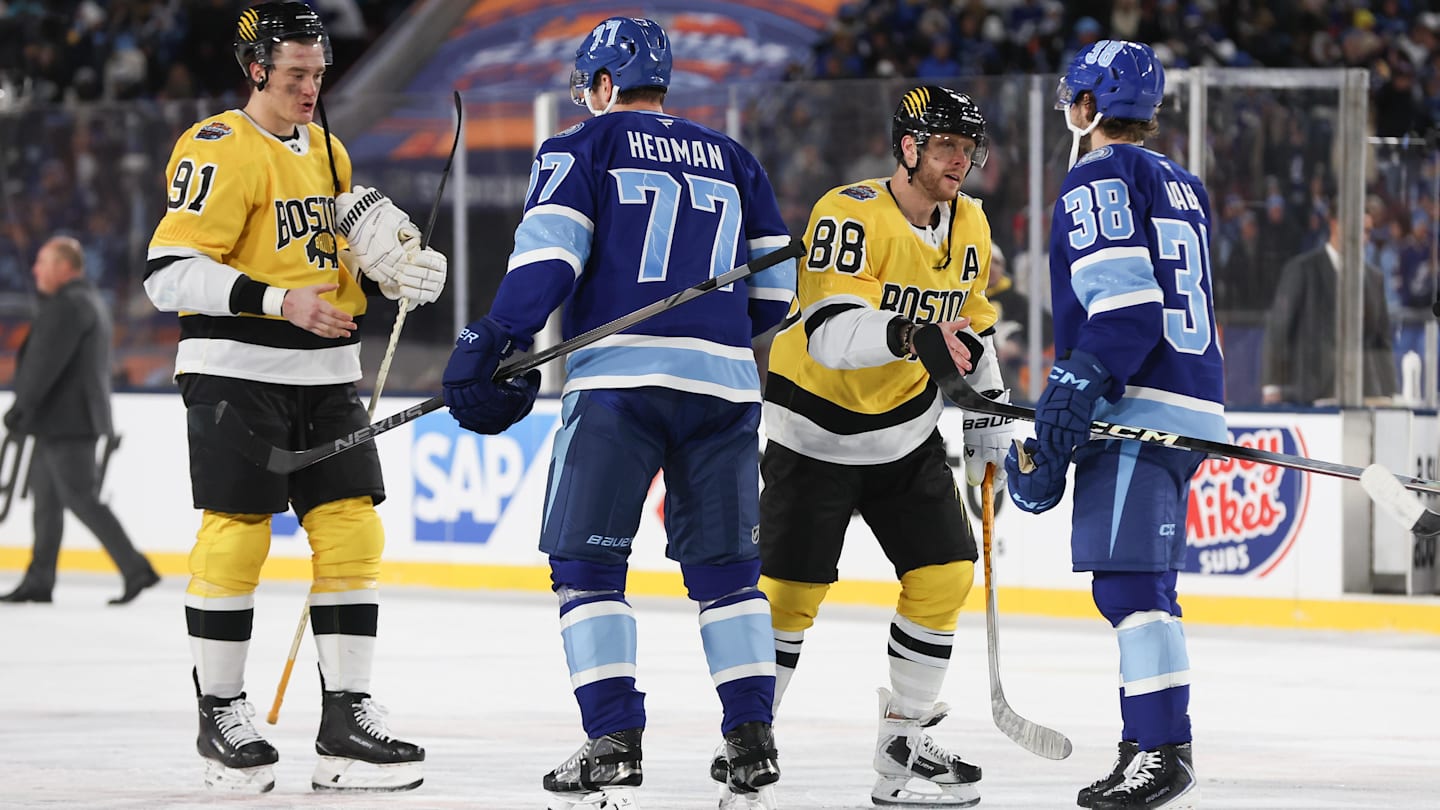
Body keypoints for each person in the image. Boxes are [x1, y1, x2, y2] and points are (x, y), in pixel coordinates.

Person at [440, 16, 796, 809]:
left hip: (619, 387)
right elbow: (778, 292)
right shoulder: (735, 157)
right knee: (727, 577)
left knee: (588, 568)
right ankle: (751, 738)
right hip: (726, 388)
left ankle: (613, 740)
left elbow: (551, 256)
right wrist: (710, 338)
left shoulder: (580, 145)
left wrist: (496, 333)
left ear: (603, 85)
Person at [142, 1, 445, 794]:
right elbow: (168, 273)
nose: (312, 86)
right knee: (239, 534)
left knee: (352, 535)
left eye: (319, 72)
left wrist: (391, 272)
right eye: (296, 73)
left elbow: (333, 258)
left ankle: (346, 721)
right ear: (256, 69)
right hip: (235, 371)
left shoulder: (333, 154)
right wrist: (282, 303)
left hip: (328, 376)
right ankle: (220, 715)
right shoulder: (218, 146)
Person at [750, 85, 1010, 808]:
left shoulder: (973, 224)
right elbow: (832, 336)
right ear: (908, 148)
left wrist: (987, 421)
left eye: (968, 147)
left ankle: (903, 746)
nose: (962, 159)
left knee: (947, 574)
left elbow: (972, 327)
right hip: (815, 434)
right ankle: (747, 739)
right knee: (789, 599)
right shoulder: (849, 211)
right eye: (947, 146)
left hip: (904, 435)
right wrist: (907, 334)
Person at [1005, 40, 1221, 810]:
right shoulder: (1183, 181)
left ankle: (1164, 749)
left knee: (1131, 587)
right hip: (1189, 396)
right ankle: (1144, 741)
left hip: (1136, 403)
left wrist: (1067, 406)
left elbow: (1125, 312)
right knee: (1143, 583)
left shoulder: (1097, 172)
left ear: (1088, 107)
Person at [0, 236, 159, 606]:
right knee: (48, 503)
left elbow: (45, 363)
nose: (36, 269)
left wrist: (22, 407)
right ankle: (40, 579)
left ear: (64, 267)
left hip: (67, 423)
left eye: (44, 262)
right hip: (62, 421)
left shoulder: (69, 304)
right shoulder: (85, 300)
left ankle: (136, 569)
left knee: (80, 499)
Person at [1261, 209, 1396, 406]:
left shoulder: (1374, 279)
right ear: (1335, 225)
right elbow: (1279, 329)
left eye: (1368, 231)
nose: (1365, 238)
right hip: (1312, 394)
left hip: (1363, 396)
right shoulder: (1302, 269)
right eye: (1360, 230)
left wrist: (1390, 391)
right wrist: (1272, 385)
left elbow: (1381, 342)